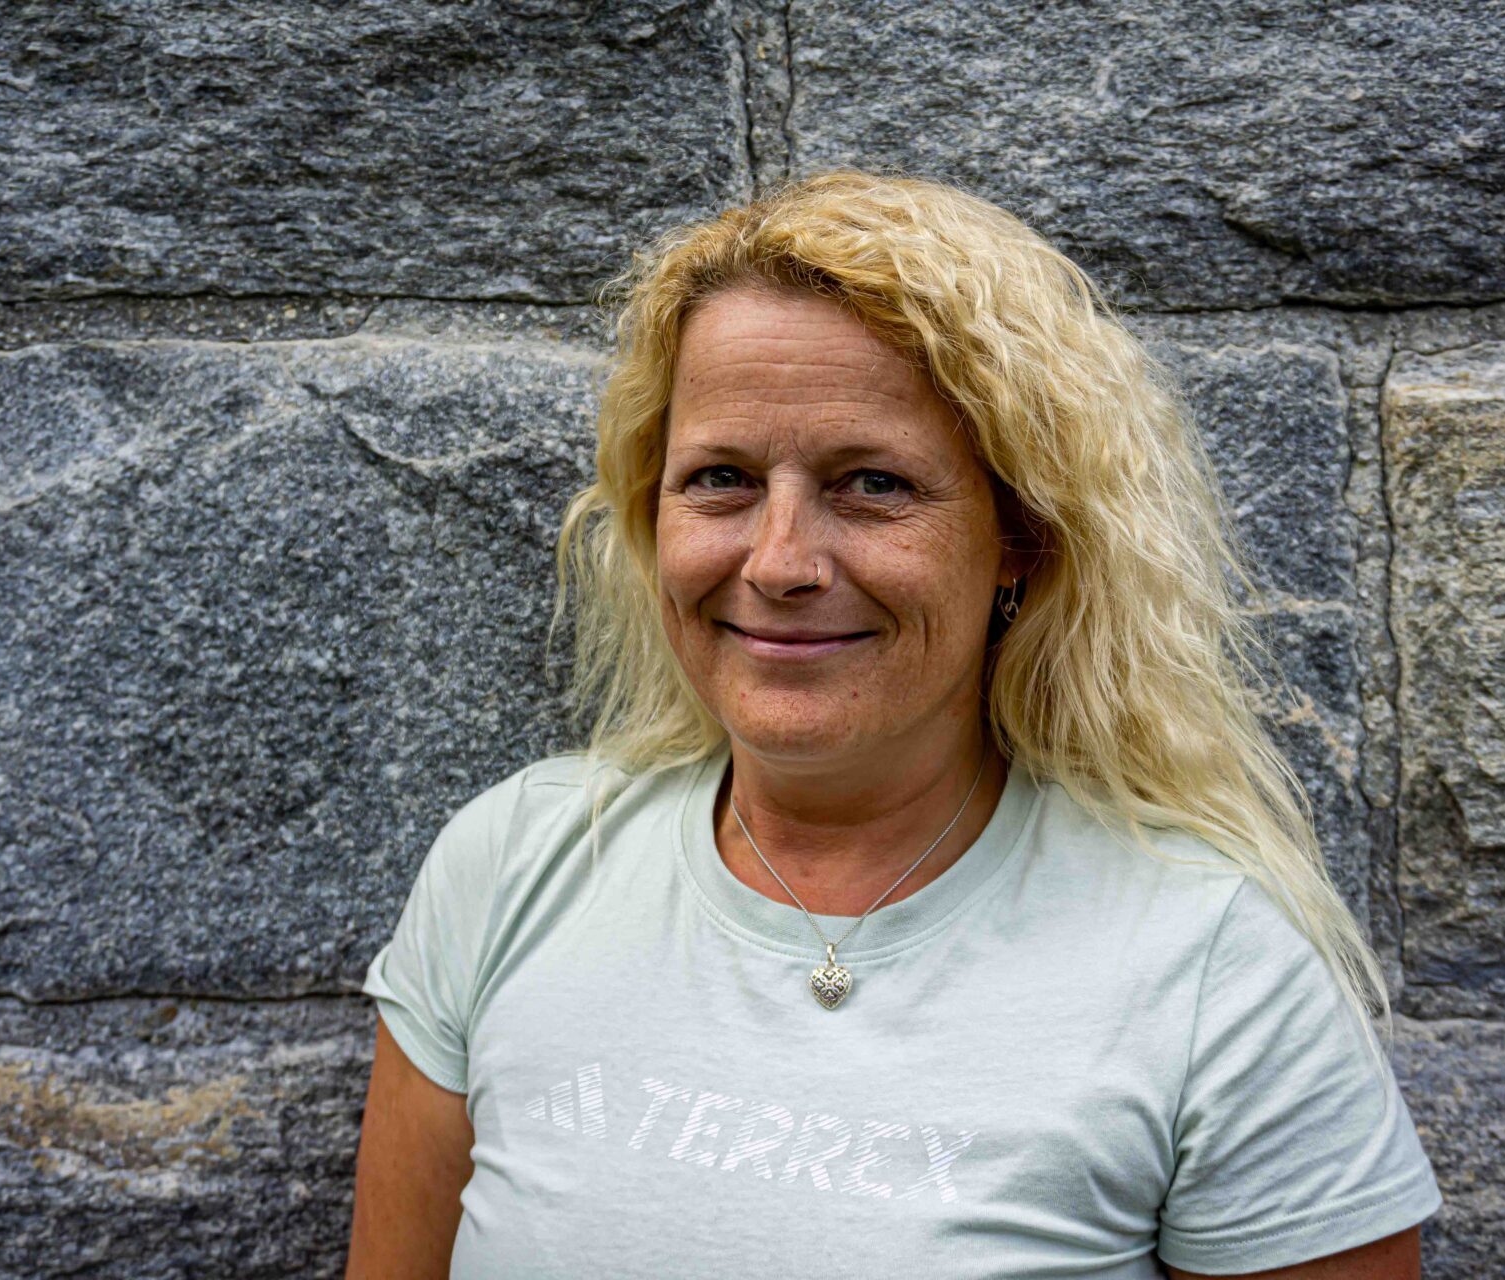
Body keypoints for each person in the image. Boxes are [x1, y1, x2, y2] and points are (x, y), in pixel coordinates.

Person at [346, 170, 1441, 1279]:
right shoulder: (511, 866)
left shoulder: (1212, 970)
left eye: (872, 484)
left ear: (1022, 537)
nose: (778, 562)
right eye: (720, 478)